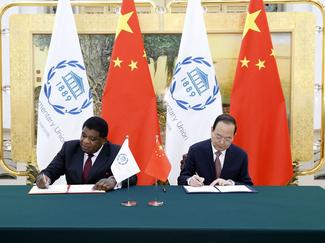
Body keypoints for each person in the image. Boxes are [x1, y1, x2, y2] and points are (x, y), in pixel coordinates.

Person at [36, 116, 137, 191]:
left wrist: (114, 180)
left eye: (92, 139)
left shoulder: (116, 151)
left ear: (104, 140)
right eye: (83, 135)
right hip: (74, 202)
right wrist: (45, 178)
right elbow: (51, 171)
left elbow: (132, 177)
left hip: (103, 203)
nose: (85, 141)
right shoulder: (69, 148)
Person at [178, 114, 253, 186]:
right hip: (202, 197)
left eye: (228, 139)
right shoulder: (195, 150)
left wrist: (231, 184)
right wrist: (190, 180)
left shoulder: (240, 155)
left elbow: (248, 184)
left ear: (234, 136)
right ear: (212, 130)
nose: (222, 142)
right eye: (218, 136)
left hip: (228, 198)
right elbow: (182, 178)